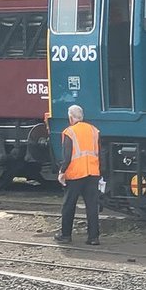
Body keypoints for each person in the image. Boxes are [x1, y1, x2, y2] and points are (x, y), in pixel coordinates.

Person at [55, 104, 101, 244]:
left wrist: (62, 172)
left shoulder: (70, 132)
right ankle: (93, 238)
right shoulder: (94, 130)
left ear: (70, 117)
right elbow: (100, 152)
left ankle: (66, 235)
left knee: (69, 205)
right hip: (92, 173)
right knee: (92, 206)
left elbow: (67, 156)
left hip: (75, 174)